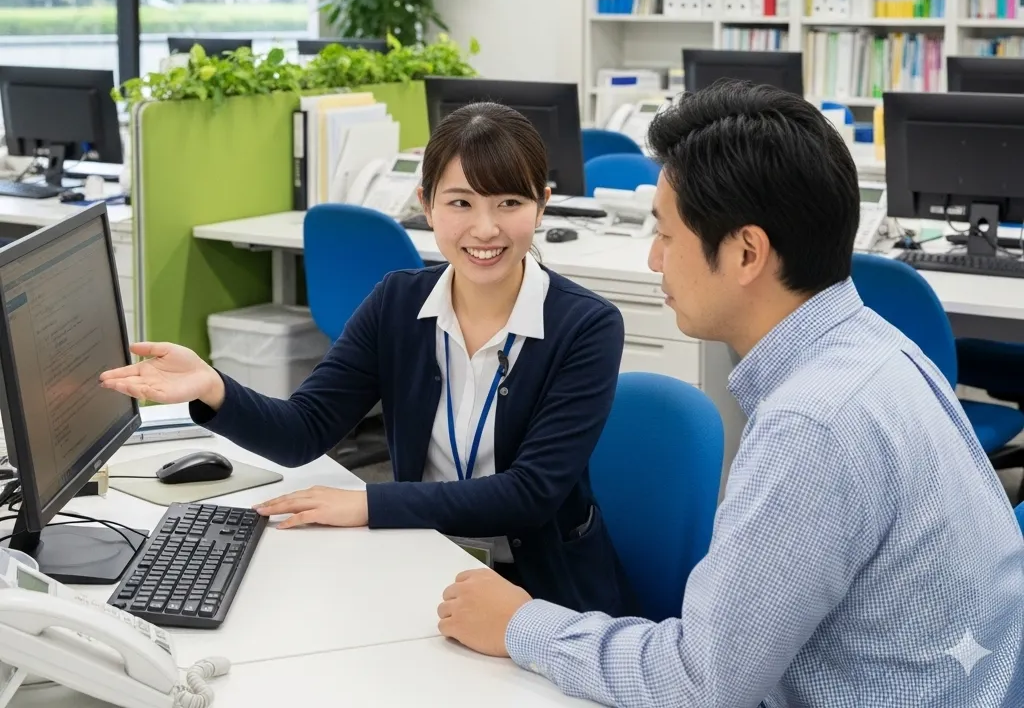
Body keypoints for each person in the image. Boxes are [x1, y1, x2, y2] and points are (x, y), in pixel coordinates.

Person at [437, 81, 1024, 707]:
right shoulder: (878, 346)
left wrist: (521, 625)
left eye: (666, 235)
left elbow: (704, 684)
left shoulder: (812, 425)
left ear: (747, 252)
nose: (655, 261)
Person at [100, 102, 634, 616]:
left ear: (542, 205)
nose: (486, 228)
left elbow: (529, 495)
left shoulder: (585, 326)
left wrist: (367, 504)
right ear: (425, 205)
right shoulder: (398, 304)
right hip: (418, 561)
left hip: (539, 591)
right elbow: (302, 432)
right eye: (461, 202)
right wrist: (211, 386)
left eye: (509, 204)